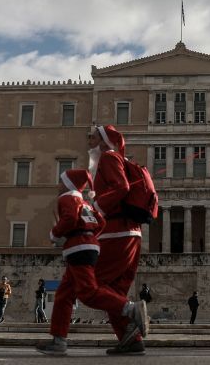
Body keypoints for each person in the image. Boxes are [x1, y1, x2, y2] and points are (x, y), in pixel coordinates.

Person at [49, 125, 146, 355]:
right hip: (129, 234)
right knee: (109, 291)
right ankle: (130, 339)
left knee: (86, 288)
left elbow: (121, 187)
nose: (89, 142)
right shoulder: (116, 159)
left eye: (92, 138)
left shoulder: (109, 157)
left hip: (116, 234)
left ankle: (131, 311)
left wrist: (97, 208)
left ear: (103, 142)